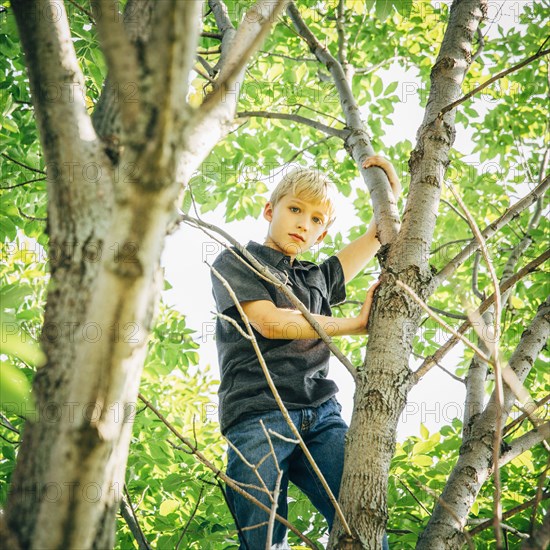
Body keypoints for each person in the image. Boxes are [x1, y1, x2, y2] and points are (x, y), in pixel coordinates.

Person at [211, 156, 400, 549]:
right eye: (295, 209)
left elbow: (378, 234)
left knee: (362, 523)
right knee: (264, 539)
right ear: (269, 210)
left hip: (322, 415)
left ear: (323, 233)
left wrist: (391, 192)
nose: (303, 223)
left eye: (316, 220)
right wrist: (354, 324)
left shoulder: (318, 277)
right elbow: (272, 323)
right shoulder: (237, 261)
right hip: (258, 414)